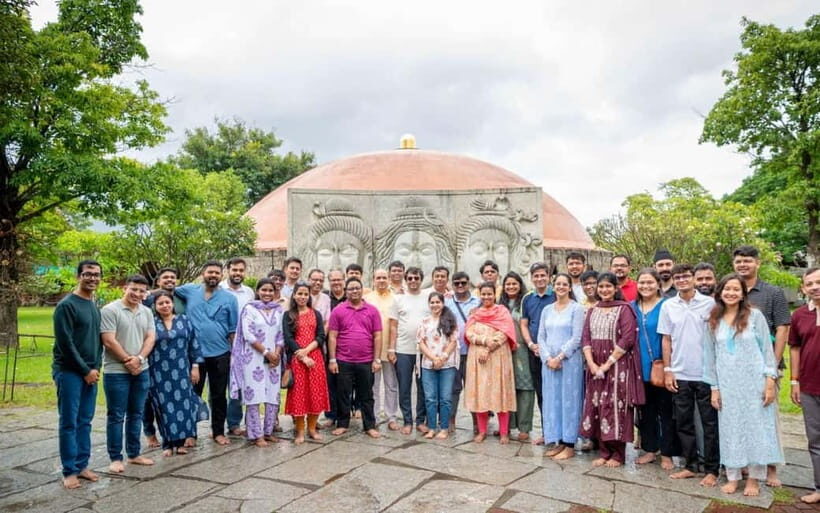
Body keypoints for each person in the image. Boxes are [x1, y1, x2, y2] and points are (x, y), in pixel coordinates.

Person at [703, 274, 783, 497]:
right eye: (727, 289)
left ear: (742, 293)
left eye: (736, 289)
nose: (731, 293)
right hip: (727, 384)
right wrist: (714, 388)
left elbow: (768, 351)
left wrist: (769, 381)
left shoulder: (754, 316)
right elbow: (709, 357)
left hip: (753, 382)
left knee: (756, 427)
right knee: (730, 428)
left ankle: (754, 479)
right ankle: (733, 476)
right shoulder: (713, 319)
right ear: (719, 292)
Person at [732, 245, 790, 488]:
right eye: (738, 261)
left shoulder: (772, 292)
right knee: (743, 418)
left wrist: (772, 367)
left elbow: (783, 328)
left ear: (758, 263)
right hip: (737, 368)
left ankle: (771, 467)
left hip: (765, 366)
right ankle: (747, 463)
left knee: (767, 418)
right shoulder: (731, 291)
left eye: (747, 261)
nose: (743, 265)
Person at [658, 263, 719, 486]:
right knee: (683, 422)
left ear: (694, 278)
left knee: (709, 423)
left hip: (704, 372)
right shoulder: (668, 306)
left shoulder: (709, 303)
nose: (682, 280)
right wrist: (668, 369)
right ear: (673, 281)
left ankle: (712, 468)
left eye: (686, 276)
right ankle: (691, 465)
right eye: (678, 277)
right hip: (680, 372)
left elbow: (715, 337)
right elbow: (666, 339)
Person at [579, 272, 644, 467]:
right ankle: (604, 451)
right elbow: (586, 338)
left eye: (609, 286)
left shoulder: (624, 309)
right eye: (601, 287)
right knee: (596, 406)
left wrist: (607, 364)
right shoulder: (593, 310)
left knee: (615, 407)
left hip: (617, 367)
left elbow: (627, 338)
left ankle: (618, 454)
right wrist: (591, 364)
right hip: (594, 368)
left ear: (616, 288)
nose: (604, 290)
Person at [176, 261, 238, 446]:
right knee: (192, 394)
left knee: (219, 395)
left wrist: (234, 355)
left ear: (221, 275)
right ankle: (189, 433)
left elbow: (233, 329)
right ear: (203, 273)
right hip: (194, 355)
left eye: (217, 273)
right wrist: (149, 293)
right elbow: (167, 288)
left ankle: (218, 431)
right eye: (210, 272)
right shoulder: (189, 291)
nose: (213, 275)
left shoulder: (229, 298)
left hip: (220, 353)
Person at [53, 260, 103, 489]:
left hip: (91, 372)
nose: (92, 278)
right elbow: (66, 344)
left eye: (96, 275)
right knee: (69, 422)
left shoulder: (92, 304)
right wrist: (85, 370)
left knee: (85, 421)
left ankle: (82, 465)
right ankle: (69, 470)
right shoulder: (66, 306)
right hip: (70, 372)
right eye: (88, 274)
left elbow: (95, 340)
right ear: (78, 276)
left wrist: (95, 369)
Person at [100, 274, 156, 473]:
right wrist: (127, 360)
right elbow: (109, 340)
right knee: (116, 415)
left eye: (142, 291)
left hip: (142, 369)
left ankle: (133, 454)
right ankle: (115, 457)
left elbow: (150, 338)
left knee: (136, 412)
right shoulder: (110, 310)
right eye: (134, 289)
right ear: (125, 287)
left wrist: (139, 359)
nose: (137, 294)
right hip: (116, 371)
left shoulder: (147, 311)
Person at [229, 278, 285, 447]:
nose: (267, 294)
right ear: (258, 291)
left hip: (274, 359)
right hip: (252, 358)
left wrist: (276, 353)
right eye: (264, 290)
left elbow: (281, 334)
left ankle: (268, 432)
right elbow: (248, 335)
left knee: (272, 394)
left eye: (270, 291)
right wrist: (267, 353)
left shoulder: (279, 310)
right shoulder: (250, 309)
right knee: (254, 395)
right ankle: (255, 434)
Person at [632, 268, 678, 469]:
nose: (645, 286)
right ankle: (650, 449)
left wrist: (670, 366)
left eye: (650, 282)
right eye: (642, 282)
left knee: (666, 411)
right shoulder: (631, 306)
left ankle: (667, 453)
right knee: (645, 411)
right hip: (637, 366)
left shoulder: (667, 305)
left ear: (658, 284)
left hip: (662, 365)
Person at [149, 291, 203, 456]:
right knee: (163, 407)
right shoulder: (151, 323)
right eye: (161, 303)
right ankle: (167, 444)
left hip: (181, 371)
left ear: (172, 304)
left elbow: (194, 343)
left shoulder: (184, 320)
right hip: (158, 372)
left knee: (183, 406)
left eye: (167, 302)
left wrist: (195, 367)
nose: (165, 306)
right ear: (155, 307)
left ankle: (180, 443)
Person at [327, 277, 382, 438]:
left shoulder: (372, 311)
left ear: (362, 289)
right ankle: (343, 423)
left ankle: (369, 425)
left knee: (366, 395)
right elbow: (332, 337)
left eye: (357, 288)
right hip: (343, 360)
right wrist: (332, 360)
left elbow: (377, 336)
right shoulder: (338, 310)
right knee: (343, 393)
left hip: (366, 360)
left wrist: (377, 359)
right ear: (346, 291)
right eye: (350, 289)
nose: (354, 291)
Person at [538, 273, 585, 460]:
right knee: (552, 401)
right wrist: (547, 357)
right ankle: (557, 440)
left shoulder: (576, 309)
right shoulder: (547, 310)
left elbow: (577, 337)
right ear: (553, 286)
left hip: (569, 362)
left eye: (564, 284)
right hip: (549, 364)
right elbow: (541, 336)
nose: (561, 287)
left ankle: (570, 443)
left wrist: (560, 356)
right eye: (557, 284)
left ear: (569, 287)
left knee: (569, 401)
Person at [464, 281, 518, 444]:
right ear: (480, 295)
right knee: (480, 393)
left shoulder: (502, 312)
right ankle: (482, 431)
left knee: (500, 392)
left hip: (498, 357)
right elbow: (468, 333)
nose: (487, 297)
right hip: (478, 358)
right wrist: (484, 340)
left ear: (495, 294)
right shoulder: (475, 313)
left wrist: (489, 347)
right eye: (484, 294)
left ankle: (503, 432)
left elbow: (505, 332)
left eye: (490, 294)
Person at [142, 267, 185, 449]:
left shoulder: (181, 298)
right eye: (165, 277)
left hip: (176, 359)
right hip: (152, 357)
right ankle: (150, 433)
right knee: (150, 400)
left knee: (176, 399)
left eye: (173, 277)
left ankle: (177, 435)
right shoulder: (147, 300)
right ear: (158, 280)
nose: (169, 280)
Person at [283, 282, 330, 444]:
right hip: (297, 360)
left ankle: (312, 428)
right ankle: (300, 431)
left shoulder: (315, 313)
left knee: (315, 394)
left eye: (305, 294)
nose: (302, 297)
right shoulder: (288, 315)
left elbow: (321, 335)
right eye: (299, 294)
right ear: (294, 295)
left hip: (315, 358)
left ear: (309, 296)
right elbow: (288, 338)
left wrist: (307, 351)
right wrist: (302, 356)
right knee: (299, 395)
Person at [788, 267, 820, 504]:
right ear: (803, 289)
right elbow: (795, 348)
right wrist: (794, 381)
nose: (815, 287)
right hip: (810, 386)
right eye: (810, 284)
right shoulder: (799, 315)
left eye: (818, 282)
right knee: (815, 440)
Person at [389, 267, 430, 434]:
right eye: (410, 278)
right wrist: (391, 349)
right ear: (406, 280)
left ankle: (420, 420)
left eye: (416, 278)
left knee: (423, 387)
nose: (413, 281)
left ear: (421, 279)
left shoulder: (428, 297)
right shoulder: (398, 299)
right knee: (404, 387)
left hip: (424, 350)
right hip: (403, 349)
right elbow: (393, 326)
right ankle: (407, 420)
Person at [519, 262, 556, 444]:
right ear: (532, 278)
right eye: (536, 276)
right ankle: (546, 431)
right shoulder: (527, 298)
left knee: (555, 392)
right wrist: (531, 344)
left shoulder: (557, 294)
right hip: (534, 352)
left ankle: (559, 432)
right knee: (541, 393)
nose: (540, 279)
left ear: (548, 276)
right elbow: (524, 324)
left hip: (554, 353)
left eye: (543, 275)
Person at [417, 292, 459, 440]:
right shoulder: (424, 321)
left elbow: (453, 341)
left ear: (443, 303)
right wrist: (433, 358)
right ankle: (432, 427)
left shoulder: (449, 320)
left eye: (438, 302)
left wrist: (442, 357)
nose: (435, 305)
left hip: (447, 364)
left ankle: (444, 428)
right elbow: (421, 342)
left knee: (446, 397)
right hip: (428, 364)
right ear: (429, 304)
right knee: (430, 398)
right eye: (432, 302)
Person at [221, 257, 255, 438]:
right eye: (234, 270)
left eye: (241, 270)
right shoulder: (218, 289)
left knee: (239, 385)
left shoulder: (249, 292)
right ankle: (217, 425)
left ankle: (234, 424)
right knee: (218, 388)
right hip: (221, 345)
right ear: (228, 270)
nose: (238, 273)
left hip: (243, 347)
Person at [364, 269, 400, 430]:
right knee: (373, 385)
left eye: (384, 277)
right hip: (372, 350)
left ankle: (392, 416)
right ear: (373, 280)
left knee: (391, 384)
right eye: (378, 278)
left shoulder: (396, 298)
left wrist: (393, 348)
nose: (381, 280)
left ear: (389, 279)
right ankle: (375, 416)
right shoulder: (367, 299)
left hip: (391, 348)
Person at [501, 272, 535, 441]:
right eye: (508, 284)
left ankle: (524, 427)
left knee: (525, 386)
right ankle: (506, 425)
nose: (511, 287)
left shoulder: (525, 302)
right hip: (503, 350)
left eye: (514, 284)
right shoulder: (501, 303)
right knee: (506, 387)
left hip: (522, 349)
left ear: (520, 285)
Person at [445, 271, 481, 432]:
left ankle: (477, 421)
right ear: (452, 284)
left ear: (469, 284)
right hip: (454, 352)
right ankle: (451, 419)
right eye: (457, 283)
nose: (460, 286)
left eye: (463, 283)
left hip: (473, 351)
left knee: (474, 388)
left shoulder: (478, 302)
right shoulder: (447, 302)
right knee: (453, 388)